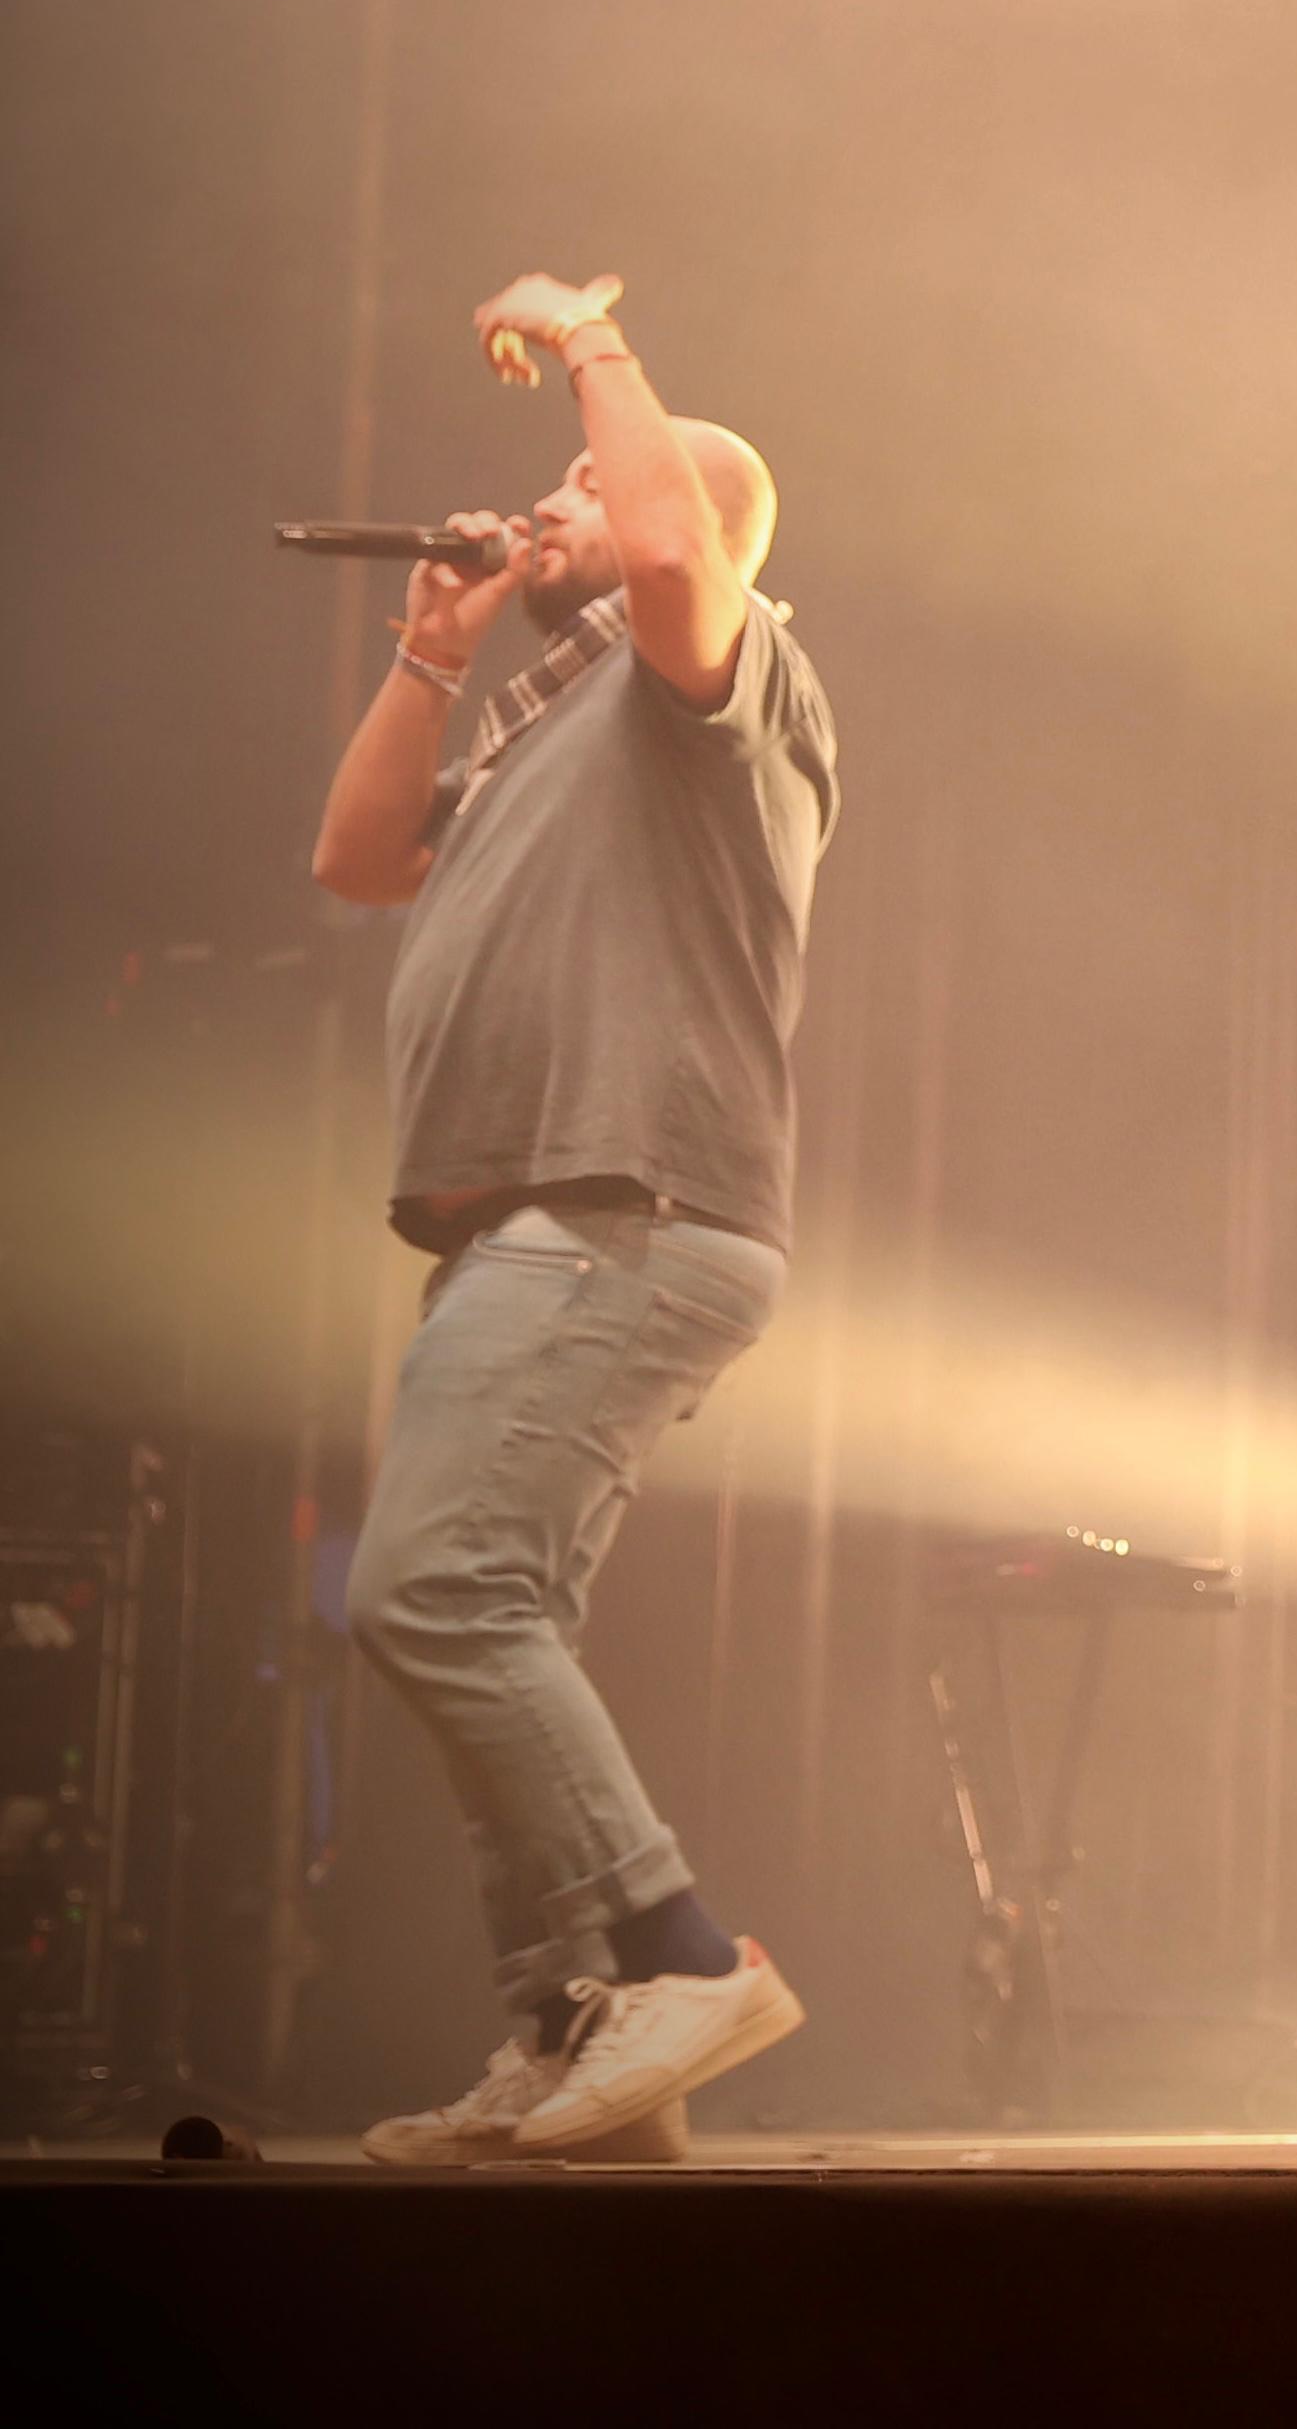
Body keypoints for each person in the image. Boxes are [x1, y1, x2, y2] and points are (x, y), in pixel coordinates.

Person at [319, 271, 834, 2164]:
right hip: (537, 1228)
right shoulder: (553, 714)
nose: (545, 506)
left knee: (430, 1590)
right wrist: (430, 652)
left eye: (578, 488)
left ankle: (681, 1957)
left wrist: (587, 333)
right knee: (488, 1614)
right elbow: (358, 857)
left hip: (625, 1202)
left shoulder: (719, 668)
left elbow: (679, 541)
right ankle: (571, 2027)